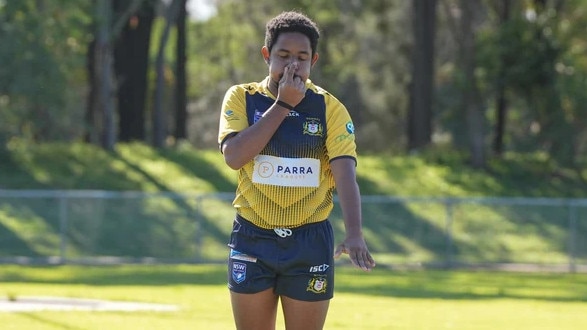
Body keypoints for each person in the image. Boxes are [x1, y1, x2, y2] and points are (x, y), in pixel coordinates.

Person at [217, 10, 376, 330]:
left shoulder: (329, 107)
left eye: (302, 57)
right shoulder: (242, 98)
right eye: (283, 55)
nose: (293, 65)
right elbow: (234, 157)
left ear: (313, 60)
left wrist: (355, 233)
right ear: (267, 55)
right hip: (252, 236)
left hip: (309, 240)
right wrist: (283, 105)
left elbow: (345, 174)